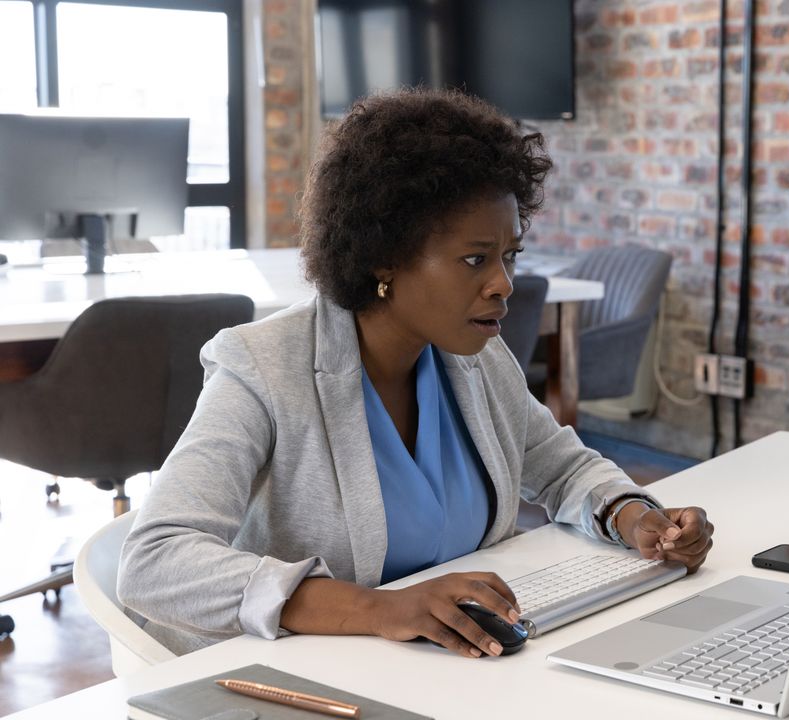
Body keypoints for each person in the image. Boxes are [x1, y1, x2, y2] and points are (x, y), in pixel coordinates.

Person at [117, 88, 714, 659]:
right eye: (475, 259)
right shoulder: (262, 367)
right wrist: (380, 610)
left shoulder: (473, 356)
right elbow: (155, 560)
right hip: (286, 682)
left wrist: (636, 518)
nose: (503, 284)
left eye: (509, 256)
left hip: (440, 672)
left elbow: (563, 467)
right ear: (385, 258)